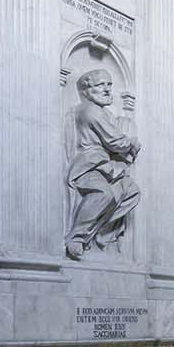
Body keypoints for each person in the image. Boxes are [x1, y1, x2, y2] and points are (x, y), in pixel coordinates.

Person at [65, 69, 141, 259]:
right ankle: (76, 237)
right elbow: (115, 141)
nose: (107, 90)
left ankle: (98, 230)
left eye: (109, 84)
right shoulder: (90, 110)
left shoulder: (102, 112)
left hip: (104, 166)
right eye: (101, 85)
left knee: (131, 191)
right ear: (87, 90)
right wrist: (132, 143)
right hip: (88, 165)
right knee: (103, 193)